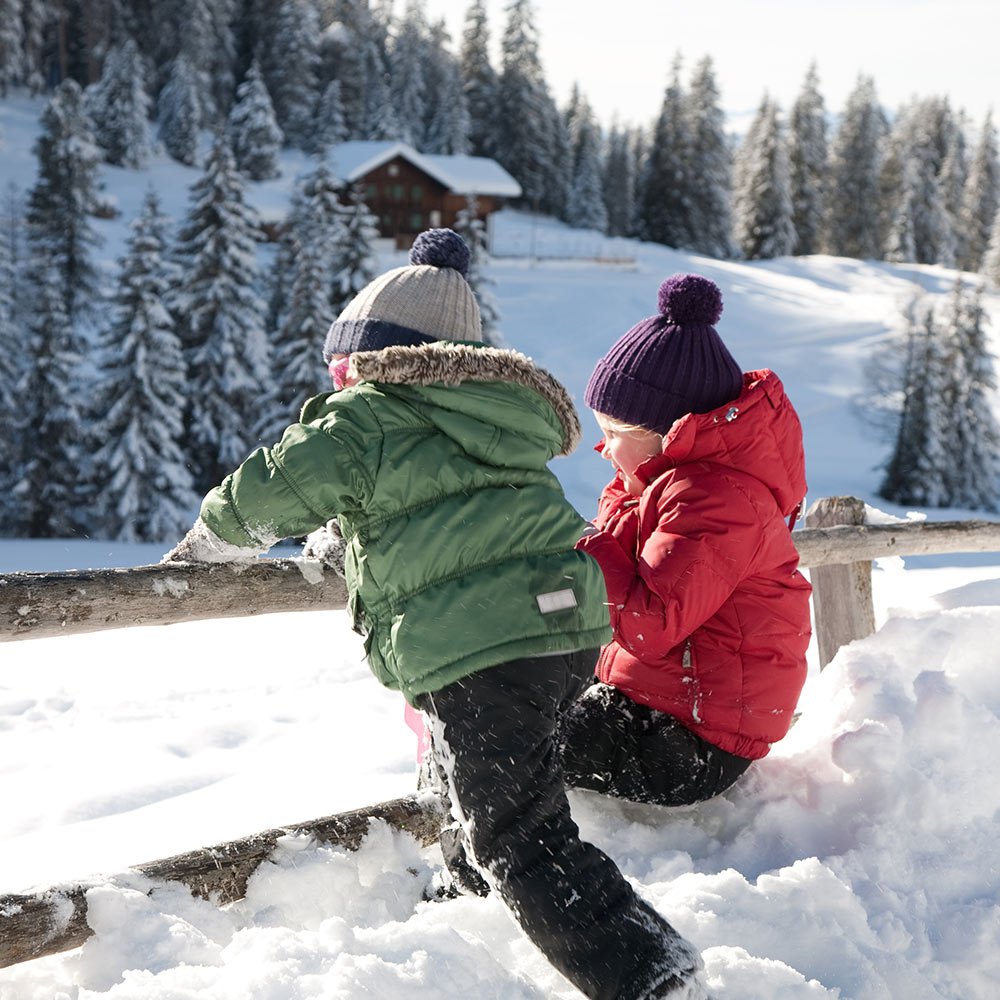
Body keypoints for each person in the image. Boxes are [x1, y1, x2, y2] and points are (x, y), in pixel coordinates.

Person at [162, 230, 707, 1000]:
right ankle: (465, 908)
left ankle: (654, 977)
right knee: (474, 782)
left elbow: (277, 485)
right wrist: (345, 531)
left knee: (520, 831)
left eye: (343, 364)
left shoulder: (366, 417)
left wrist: (203, 546)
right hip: (566, 625)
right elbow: (441, 501)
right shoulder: (492, 414)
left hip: (486, 641)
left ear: (379, 357)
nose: (337, 379)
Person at [562, 272, 812, 808]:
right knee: (518, 707)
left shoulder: (715, 500)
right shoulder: (664, 486)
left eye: (615, 436)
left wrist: (584, 544)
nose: (602, 450)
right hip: (668, 704)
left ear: (671, 434)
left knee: (513, 743)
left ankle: (470, 871)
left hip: (692, 740)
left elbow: (648, 623)